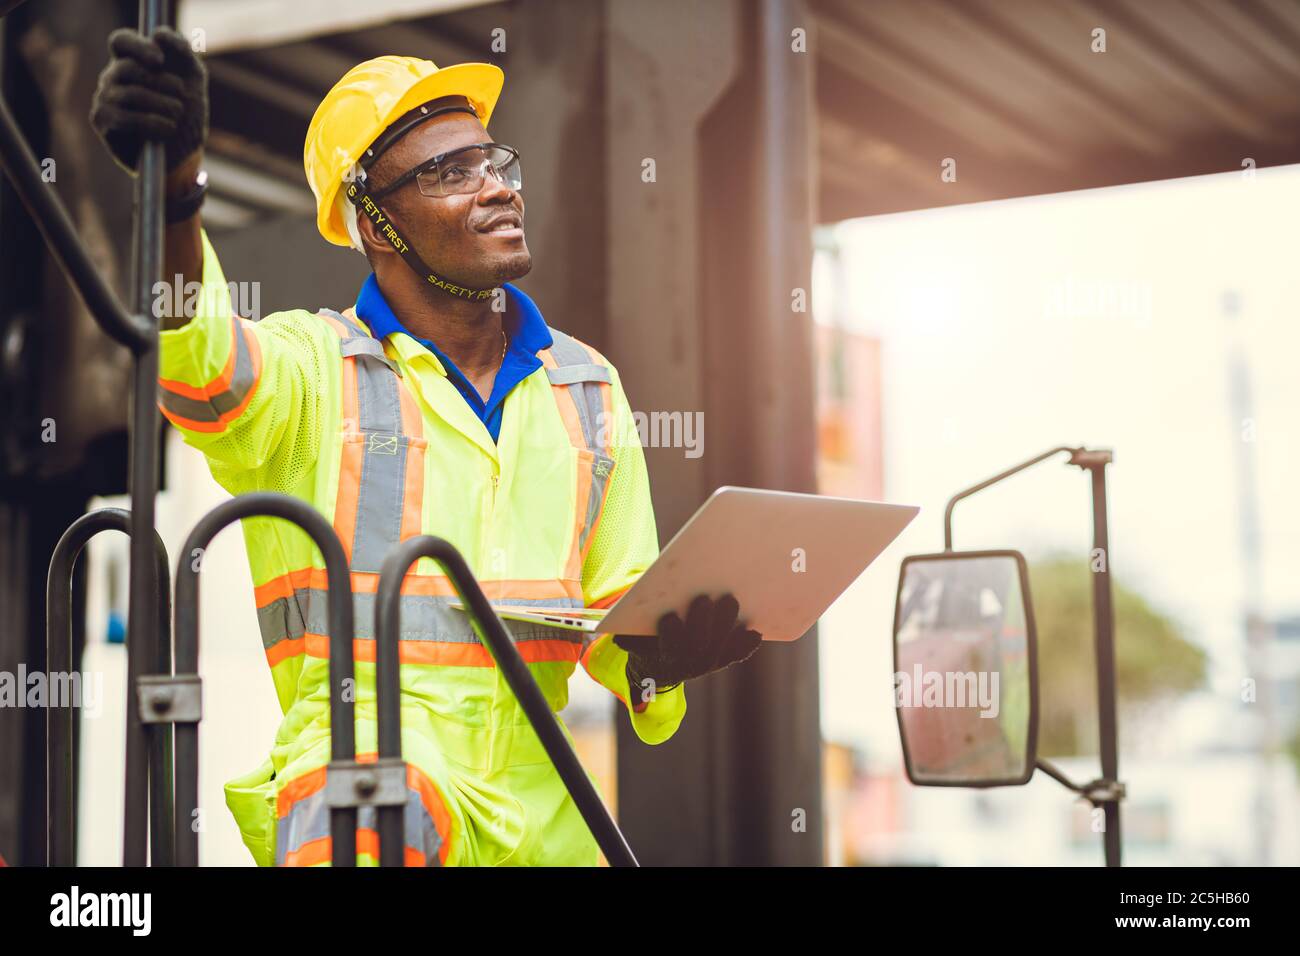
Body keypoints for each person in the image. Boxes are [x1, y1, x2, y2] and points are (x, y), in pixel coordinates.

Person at [90, 27, 762, 866]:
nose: (498, 190)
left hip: (541, 804)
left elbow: (613, 617)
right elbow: (200, 365)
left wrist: (660, 660)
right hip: (367, 780)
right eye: (450, 173)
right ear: (376, 224)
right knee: (388, 807)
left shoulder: (587, 388)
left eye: (494, 164)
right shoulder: (313, 370)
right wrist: (177, 192)